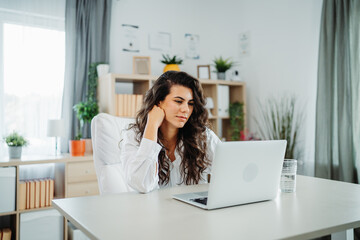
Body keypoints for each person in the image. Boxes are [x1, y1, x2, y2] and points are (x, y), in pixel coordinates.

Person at [121, 71, 221, 193]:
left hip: (194, 211)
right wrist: (152, 124)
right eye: (178, 101)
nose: (185, 109)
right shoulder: (134, 136)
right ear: (159, 101)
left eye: (190, 104)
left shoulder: (203, 136)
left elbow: (231, 170)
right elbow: (141, 184)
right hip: (154, 211)